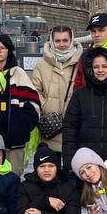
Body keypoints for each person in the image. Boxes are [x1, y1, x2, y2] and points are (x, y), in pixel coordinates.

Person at [29, 25, 82, 156]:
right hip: (51, 126)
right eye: (58, 41)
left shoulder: (81, 62)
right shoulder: (41, 65)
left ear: (72, 41)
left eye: (65, 40)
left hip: (76, 124)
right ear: (52, 42)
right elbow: (34, 91)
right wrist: (45, 105)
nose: (62, 44)